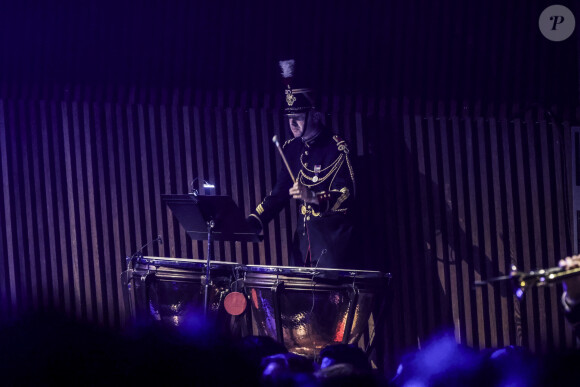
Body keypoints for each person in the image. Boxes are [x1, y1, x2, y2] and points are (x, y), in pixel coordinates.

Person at [247, 59, 356, 269]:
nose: (292, 124)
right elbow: (278, 195)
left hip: (332, 248)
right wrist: (253, 222)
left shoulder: (336, 148)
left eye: (297, 117)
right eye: (289, 117)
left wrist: (313, 197)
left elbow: (346, 195)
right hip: (302, 248)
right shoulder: (291, 149)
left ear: (315, 116)